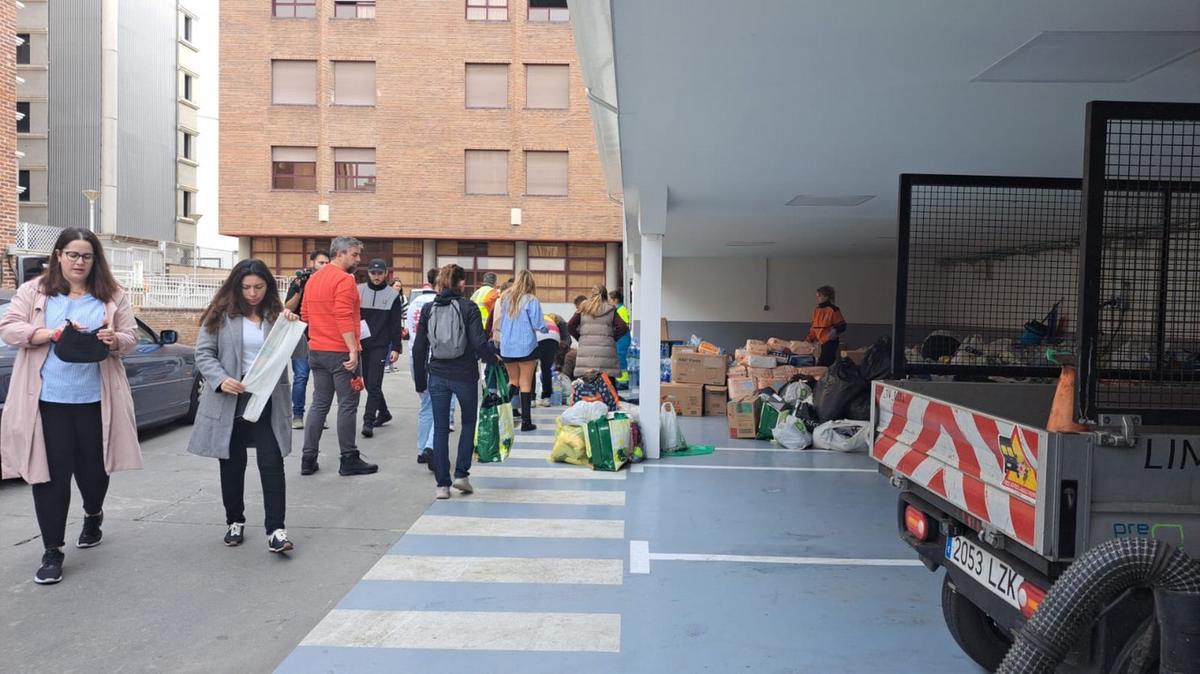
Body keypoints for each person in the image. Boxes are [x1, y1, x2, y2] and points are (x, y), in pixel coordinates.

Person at [0, 228, 141, 585]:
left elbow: (131, 338)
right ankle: (52, 549)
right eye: (72, 254)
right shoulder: (33, 292)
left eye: (87, 256)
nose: (79, 262)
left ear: (95, 260)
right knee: (49, 475)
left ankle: (93, 513)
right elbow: (9, 328)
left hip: (96, 399)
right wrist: (51, 334)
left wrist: (114, 340)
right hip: (47, 402)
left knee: (94, 471)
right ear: (58, 255)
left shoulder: (111, 295)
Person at [189, 259, 300, 553]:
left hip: (266, 397)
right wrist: (221, 379)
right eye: (247, 287)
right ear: (236, 286)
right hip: (230, 396)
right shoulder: (221, 314)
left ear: (269, 286)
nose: (253, 293)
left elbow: (301, 352)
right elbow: (203, 354)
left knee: (272, 460)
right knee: (232, 461)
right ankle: (234, 520)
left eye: (259, 287)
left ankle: (276, 529)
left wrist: (293, 325)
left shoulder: (277, 314)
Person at [412, 264, 497, 499]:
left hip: (437, 375)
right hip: (465, 375)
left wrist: (421, 381)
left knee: (440, 429)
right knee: (468, 423)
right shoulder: (468, 307)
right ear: (461, 284)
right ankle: (461, 475)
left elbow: (420, 347)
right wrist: (494, 360)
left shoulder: (430, 309)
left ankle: (442, 485)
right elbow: (479, 343)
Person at [298, 236, 378, 477]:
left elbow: (305, 314)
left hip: (317, 349)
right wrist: (353, 349)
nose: (358, 259)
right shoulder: (344, 280)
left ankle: (308, 458)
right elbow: (343, 316)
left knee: (319, 403)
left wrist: (317, 338)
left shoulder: (313, 279)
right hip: (341, 352)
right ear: (340, 253)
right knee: (348, 404)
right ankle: (348, 458)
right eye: (354, 255)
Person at [358, 259, 404, 438]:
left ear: (386, 274)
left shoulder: (393, 296)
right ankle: (384, 412)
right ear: (368, 273)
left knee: (374, 384)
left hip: (380, 345)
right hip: (361, 344)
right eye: (373, 273)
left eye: (379, 273)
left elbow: (395, 324)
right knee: (369, 384)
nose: (376, 276)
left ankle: (368, 421)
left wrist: (396, 347)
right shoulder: (358, 290)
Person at [495, 270, 546, 430]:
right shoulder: (531, 300)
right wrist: (545, 329)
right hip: (526, 347)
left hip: (507, 347)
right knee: (525, 384)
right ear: (531, 283)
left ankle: (499, 415)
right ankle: (526, 422)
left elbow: (501, 322)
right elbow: (538, 324)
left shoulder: (505, 298)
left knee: (513, 382)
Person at [285, 250, 329, 429]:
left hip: (322, 336)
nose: (324, 266)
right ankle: (297, 415)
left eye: (327, 263)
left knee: (322, 380)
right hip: (300, 335)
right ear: (312, 262)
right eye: (320, 263)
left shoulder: (329, 282)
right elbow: (287, 308)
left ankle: (320, 415)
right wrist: (301, 287)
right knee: (301, 377)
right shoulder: (299, 281)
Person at [568, 285, 629, 378]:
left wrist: (580, 338)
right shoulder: (611, 309)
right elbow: (623, 327)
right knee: (609, 386)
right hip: (606, 357)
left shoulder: (583, 308)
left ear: (592, 294)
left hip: (586, 358)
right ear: (605, 296)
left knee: (587, 387)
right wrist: (612, 339)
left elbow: (570, 325)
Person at [807, 285, 847, 367]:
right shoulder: (816, 310)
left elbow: (842, 325)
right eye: (817, 296)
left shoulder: (833, 309)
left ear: (826, 296)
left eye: (819, 296)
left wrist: (834, 332)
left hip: (830, 342)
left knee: (823, 364)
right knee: (817, 363)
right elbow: (813, 327)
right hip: (820, 342)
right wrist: (808, 339)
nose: (817, 298)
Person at [535, 312, 569, 407]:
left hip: (539, 336)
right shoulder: (553, 321)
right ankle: (546, 398)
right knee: (546, 368)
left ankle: (531, 399)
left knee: (532, 367)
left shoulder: (537, 316)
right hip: (554, 337)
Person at [608, 289, 632, 387]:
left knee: (620, 358)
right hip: (621, 338)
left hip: (622, 337)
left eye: (610, 299)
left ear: (615, 300)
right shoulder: (619, 309)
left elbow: (624, 325)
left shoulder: (620, 310)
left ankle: (622, 381)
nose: (609, 301)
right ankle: (621, 379)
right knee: (618, 358)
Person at [387, 279, 407, 373]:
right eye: (396, 285)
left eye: (399, 286)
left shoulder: (402, 297)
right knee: (388, 344)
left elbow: (405, 312)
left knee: (396, 344)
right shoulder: (387, 296)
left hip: (398, 323)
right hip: (388, 325)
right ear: (391, 286)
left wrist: (405, 326)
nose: (398, 288)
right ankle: (387, 364)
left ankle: (391, 363)